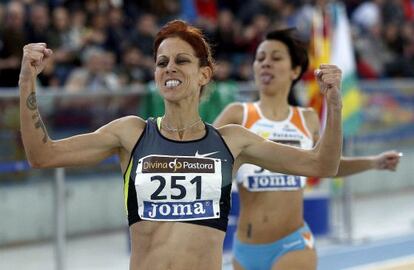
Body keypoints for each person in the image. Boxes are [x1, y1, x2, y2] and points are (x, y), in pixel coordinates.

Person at [19, 21, 343, 270]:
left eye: (181, 60)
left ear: (204, 74)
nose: (169, 68)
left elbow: (321, 165)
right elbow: (43, 154)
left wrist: (335, 105)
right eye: (162, 63)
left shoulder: (231, 142)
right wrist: (26, 83)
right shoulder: (130, 134)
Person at [214, 29, 401, 270]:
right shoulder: (237, 114)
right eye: (260, 58)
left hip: (292, 245)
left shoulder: (307, 118)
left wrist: (373, 162)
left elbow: (326, 164)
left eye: (276, 57)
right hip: (244, 249)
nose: (265, 64)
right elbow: (201, 156)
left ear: (295, 70)